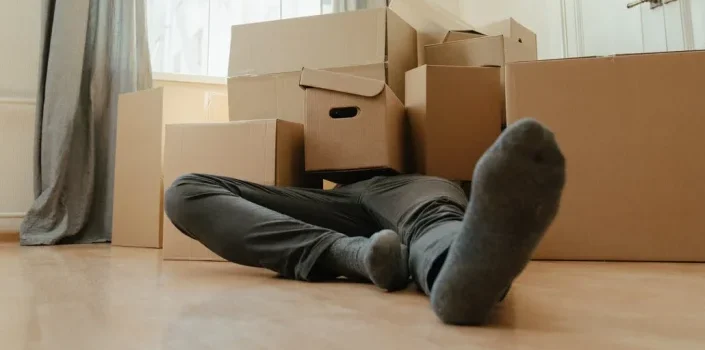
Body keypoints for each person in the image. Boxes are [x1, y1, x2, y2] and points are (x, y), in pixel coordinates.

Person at [164, 118, 566, 326]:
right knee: (185, 190)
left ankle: (458, 277)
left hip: (409, 183)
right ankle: (353, 256)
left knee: (432, 216)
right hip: (334, 200)